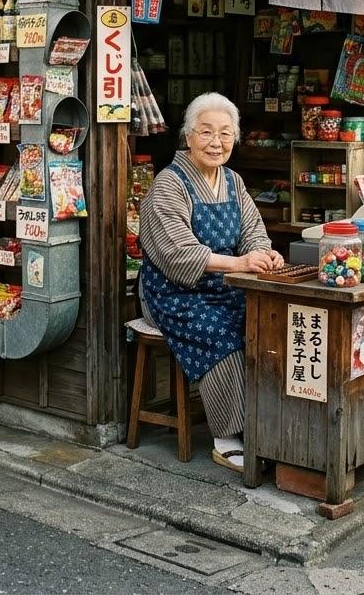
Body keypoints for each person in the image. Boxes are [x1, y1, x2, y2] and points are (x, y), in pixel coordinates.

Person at [137, 92, 284, 473]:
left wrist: (262, 254)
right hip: (172, 292)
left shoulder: (234, 181)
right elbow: (177, 253)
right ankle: (227, 437)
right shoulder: (168, 186)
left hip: (225, 285)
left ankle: (266, 426)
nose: (216, 142)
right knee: (223, 333)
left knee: (264, 325)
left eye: (225, 133)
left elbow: (253, 231)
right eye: (206, 132)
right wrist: (239, 262)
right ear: (188, 137)